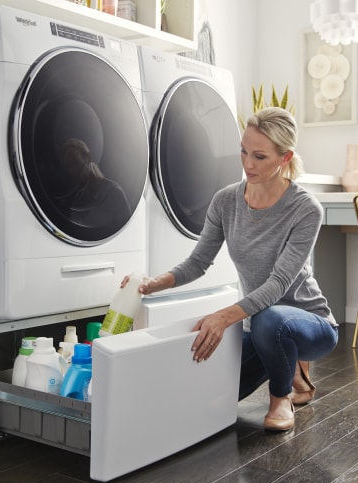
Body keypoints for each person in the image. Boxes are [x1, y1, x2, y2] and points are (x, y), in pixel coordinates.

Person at [132, 106, 338, 432]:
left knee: (271, 319)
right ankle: (292, 371)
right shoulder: (226, 201)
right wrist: (153, 284)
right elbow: (198, 263)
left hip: (310, 323)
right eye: (244, 152)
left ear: (285, 158)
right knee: (215, 393)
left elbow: (278, 284)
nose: (247, 164)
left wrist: (223, 316)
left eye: (260, 156)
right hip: (260, 325)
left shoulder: (305, 208)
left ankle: (281, 397)